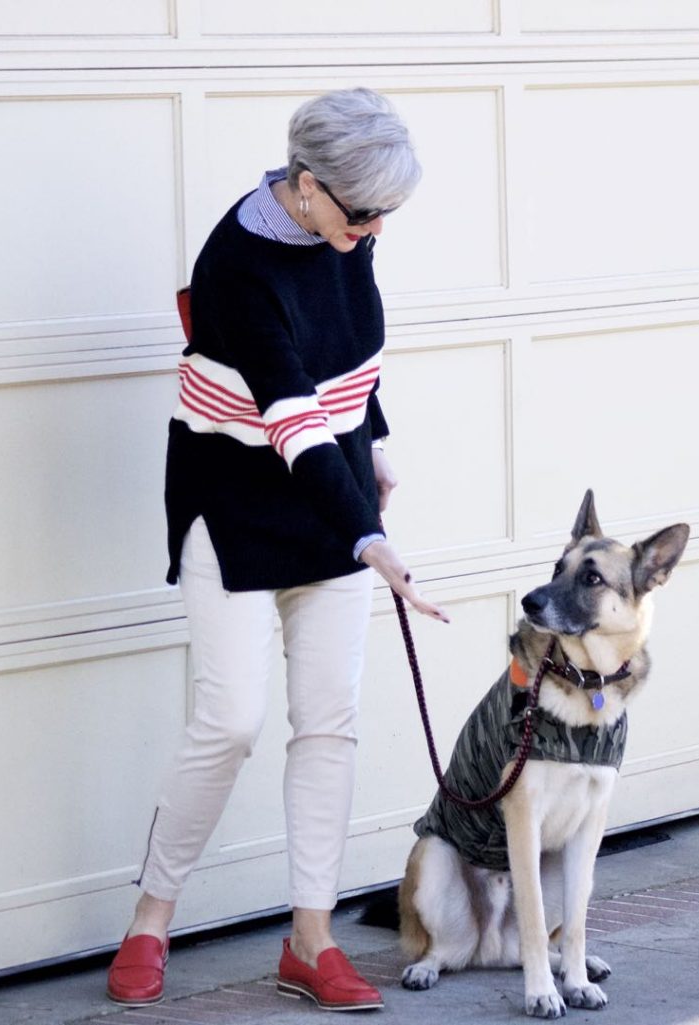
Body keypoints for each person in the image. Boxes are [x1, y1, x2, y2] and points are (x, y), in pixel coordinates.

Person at [106, 87, 448, 1013]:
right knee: (230, 721)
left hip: (329, 502)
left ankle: (311, 939)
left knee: (327, 721)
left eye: (386, 215)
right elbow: (293, 416)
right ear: (305, 186)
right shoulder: (236, 265)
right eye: (364, 211)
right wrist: (371, 538)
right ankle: (149, 919)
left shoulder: (349, 234)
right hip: (237, 502)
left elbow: (354, 362)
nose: (376, 229)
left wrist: (373, 447)